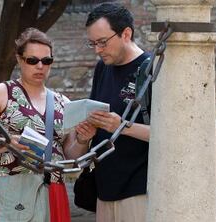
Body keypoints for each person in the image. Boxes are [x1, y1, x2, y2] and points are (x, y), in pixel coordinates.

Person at [0, 27, 95, 222]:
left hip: (53, 188)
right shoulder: (2, 92)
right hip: (12, 187)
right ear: (19, 59)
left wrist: (83, 140)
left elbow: (69, 154)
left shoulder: (62, 102)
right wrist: (6, 142)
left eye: (47, 61)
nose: (40, 66)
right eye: (32, 60)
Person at [70, 2, 151, 222]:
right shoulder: (102, 68)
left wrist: (121, 126)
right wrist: (85, 133)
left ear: (126, 33)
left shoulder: (151, 69)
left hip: (140, 190)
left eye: (102, 42)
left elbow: (169, 134)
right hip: (104, 189)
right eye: (92, 44)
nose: (97, 50)